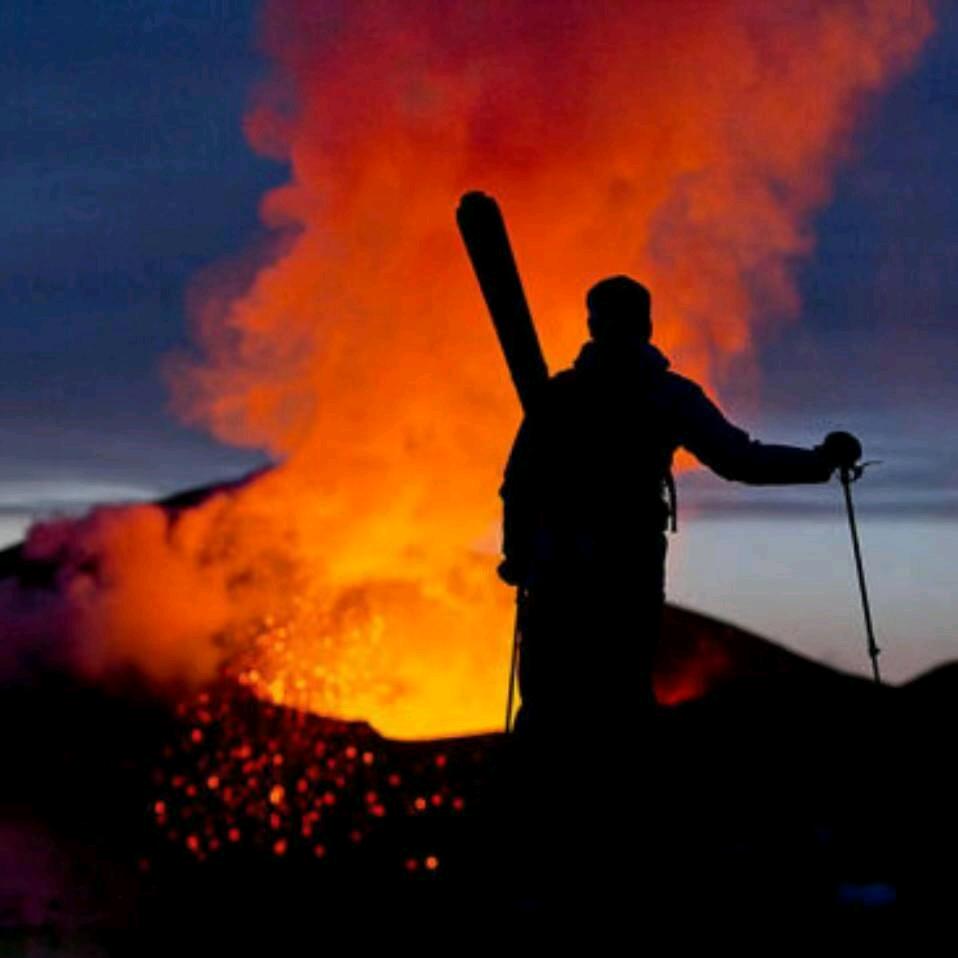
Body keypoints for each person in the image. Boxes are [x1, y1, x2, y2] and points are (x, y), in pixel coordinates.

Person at [498, 274, 861, 751]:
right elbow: (739, 460)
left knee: (547, 710)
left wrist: (519, 553)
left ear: (592, 324)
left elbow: (518, 485)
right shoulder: (667, 396)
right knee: (622, 702)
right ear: (647, 325)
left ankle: (537, 814)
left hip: (558, 573)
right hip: (628, 568)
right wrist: (819, 463)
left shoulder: (558, 397)